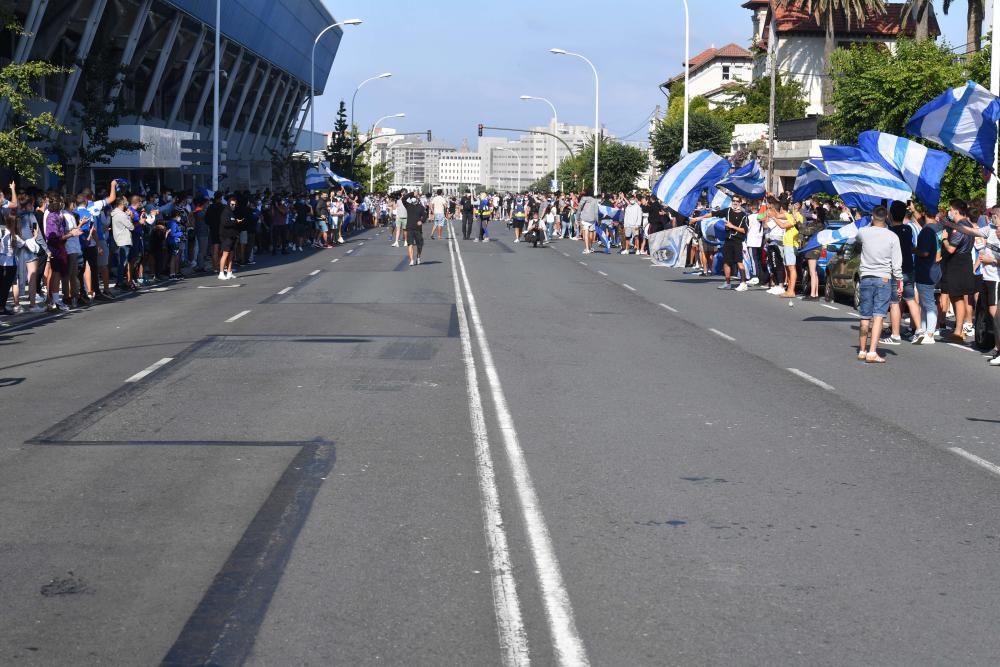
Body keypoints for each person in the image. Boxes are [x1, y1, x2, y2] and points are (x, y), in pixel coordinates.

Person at [855, 206, 902, 363]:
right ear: (887, 217)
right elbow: (896, 263)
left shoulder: (864, 232)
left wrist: (869, 223)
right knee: (879, 316)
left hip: (866, 277)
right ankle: (872, 351)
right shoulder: (892, 236)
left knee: (864, 316)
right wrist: (899, 281)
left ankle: (862, 350)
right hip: (883, 278)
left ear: (872, 217)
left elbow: (857, 237)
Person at [939, 199, 977, 343]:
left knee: (957, 296)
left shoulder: (960, 226)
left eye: (950, 209)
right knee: (958, 296)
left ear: (955, 210)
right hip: (964, 261)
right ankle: (958, 330)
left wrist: (944, 239)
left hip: (958, 263)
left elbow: (951, 248)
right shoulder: (967, 224)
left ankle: (958, 331)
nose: (949, 212)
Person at [884, 201, 919, 345]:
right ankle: (920, 331)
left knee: (894, 302)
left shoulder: (889, 232)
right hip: (909, 269)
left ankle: (895, 334)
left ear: (890, 214)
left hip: (896, 271)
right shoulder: (908, 230)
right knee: (910, 299)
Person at [718, 197, 749, 291]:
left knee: (739, 262)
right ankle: (727, 283)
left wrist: (732, 226)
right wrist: (697, 218)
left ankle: (743, 283)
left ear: (740, 202)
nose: (735, 203)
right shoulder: (728, 211)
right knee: (726, 261)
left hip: (737, 241)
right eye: (733, 201)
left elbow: (744, 230)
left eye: (737, 201)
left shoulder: (744, 215)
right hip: (728, 240)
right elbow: (713, 213)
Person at [403, 190, 425, 265]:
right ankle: (411, 260)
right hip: (409, 228)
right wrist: (412, 193)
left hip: (418, 229)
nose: (414, 199)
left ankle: (418, 256)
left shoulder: (421, 207)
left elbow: (425, 215)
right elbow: (403, 199)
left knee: (420, 244)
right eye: (413, 198)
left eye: (415, 197)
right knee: (410, 244)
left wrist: (422, 221)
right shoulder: (408, 206)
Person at [577, 189, 598, 253]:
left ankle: (587, 248)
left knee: (586, 233)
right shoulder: (595, 200)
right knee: (591, 232)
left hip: (585, 217)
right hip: (592, 218)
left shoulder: (583, 199)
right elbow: (596, 210)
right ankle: (590, 247)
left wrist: (578, 216)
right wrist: (597, 219)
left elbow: (579, 207)